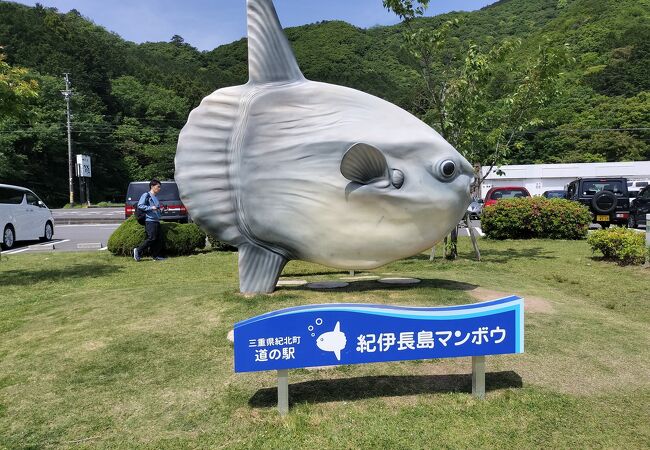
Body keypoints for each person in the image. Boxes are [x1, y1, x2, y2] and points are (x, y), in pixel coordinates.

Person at [133, 179, 166, 261]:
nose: (159, 189)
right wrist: (151, 207)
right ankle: (138, 250)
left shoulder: (155, 197)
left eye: (160, 187)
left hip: (156, 220)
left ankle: (155, 256)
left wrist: (161, 210)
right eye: (158, 187)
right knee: (152, 238)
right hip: (149, 220)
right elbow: (140, 205)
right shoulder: (146, 195)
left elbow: (155, 209)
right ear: (152, 186)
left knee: (158, 239)